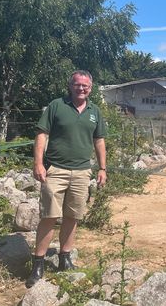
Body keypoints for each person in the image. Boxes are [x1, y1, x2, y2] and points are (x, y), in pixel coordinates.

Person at [26, 70, 107, 288]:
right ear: (70, 85)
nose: (81, 88)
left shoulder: (94, 111)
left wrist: (102, 168)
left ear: (91, 87)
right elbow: (42, 134)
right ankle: (38, 263)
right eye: (77, 85)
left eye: (86, 85)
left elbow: (99, 140)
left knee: (73, 216)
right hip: (56, 170)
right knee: (49, 216)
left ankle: (65, 258)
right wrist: (38, 163)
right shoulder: (56, 106)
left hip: (82, 172)